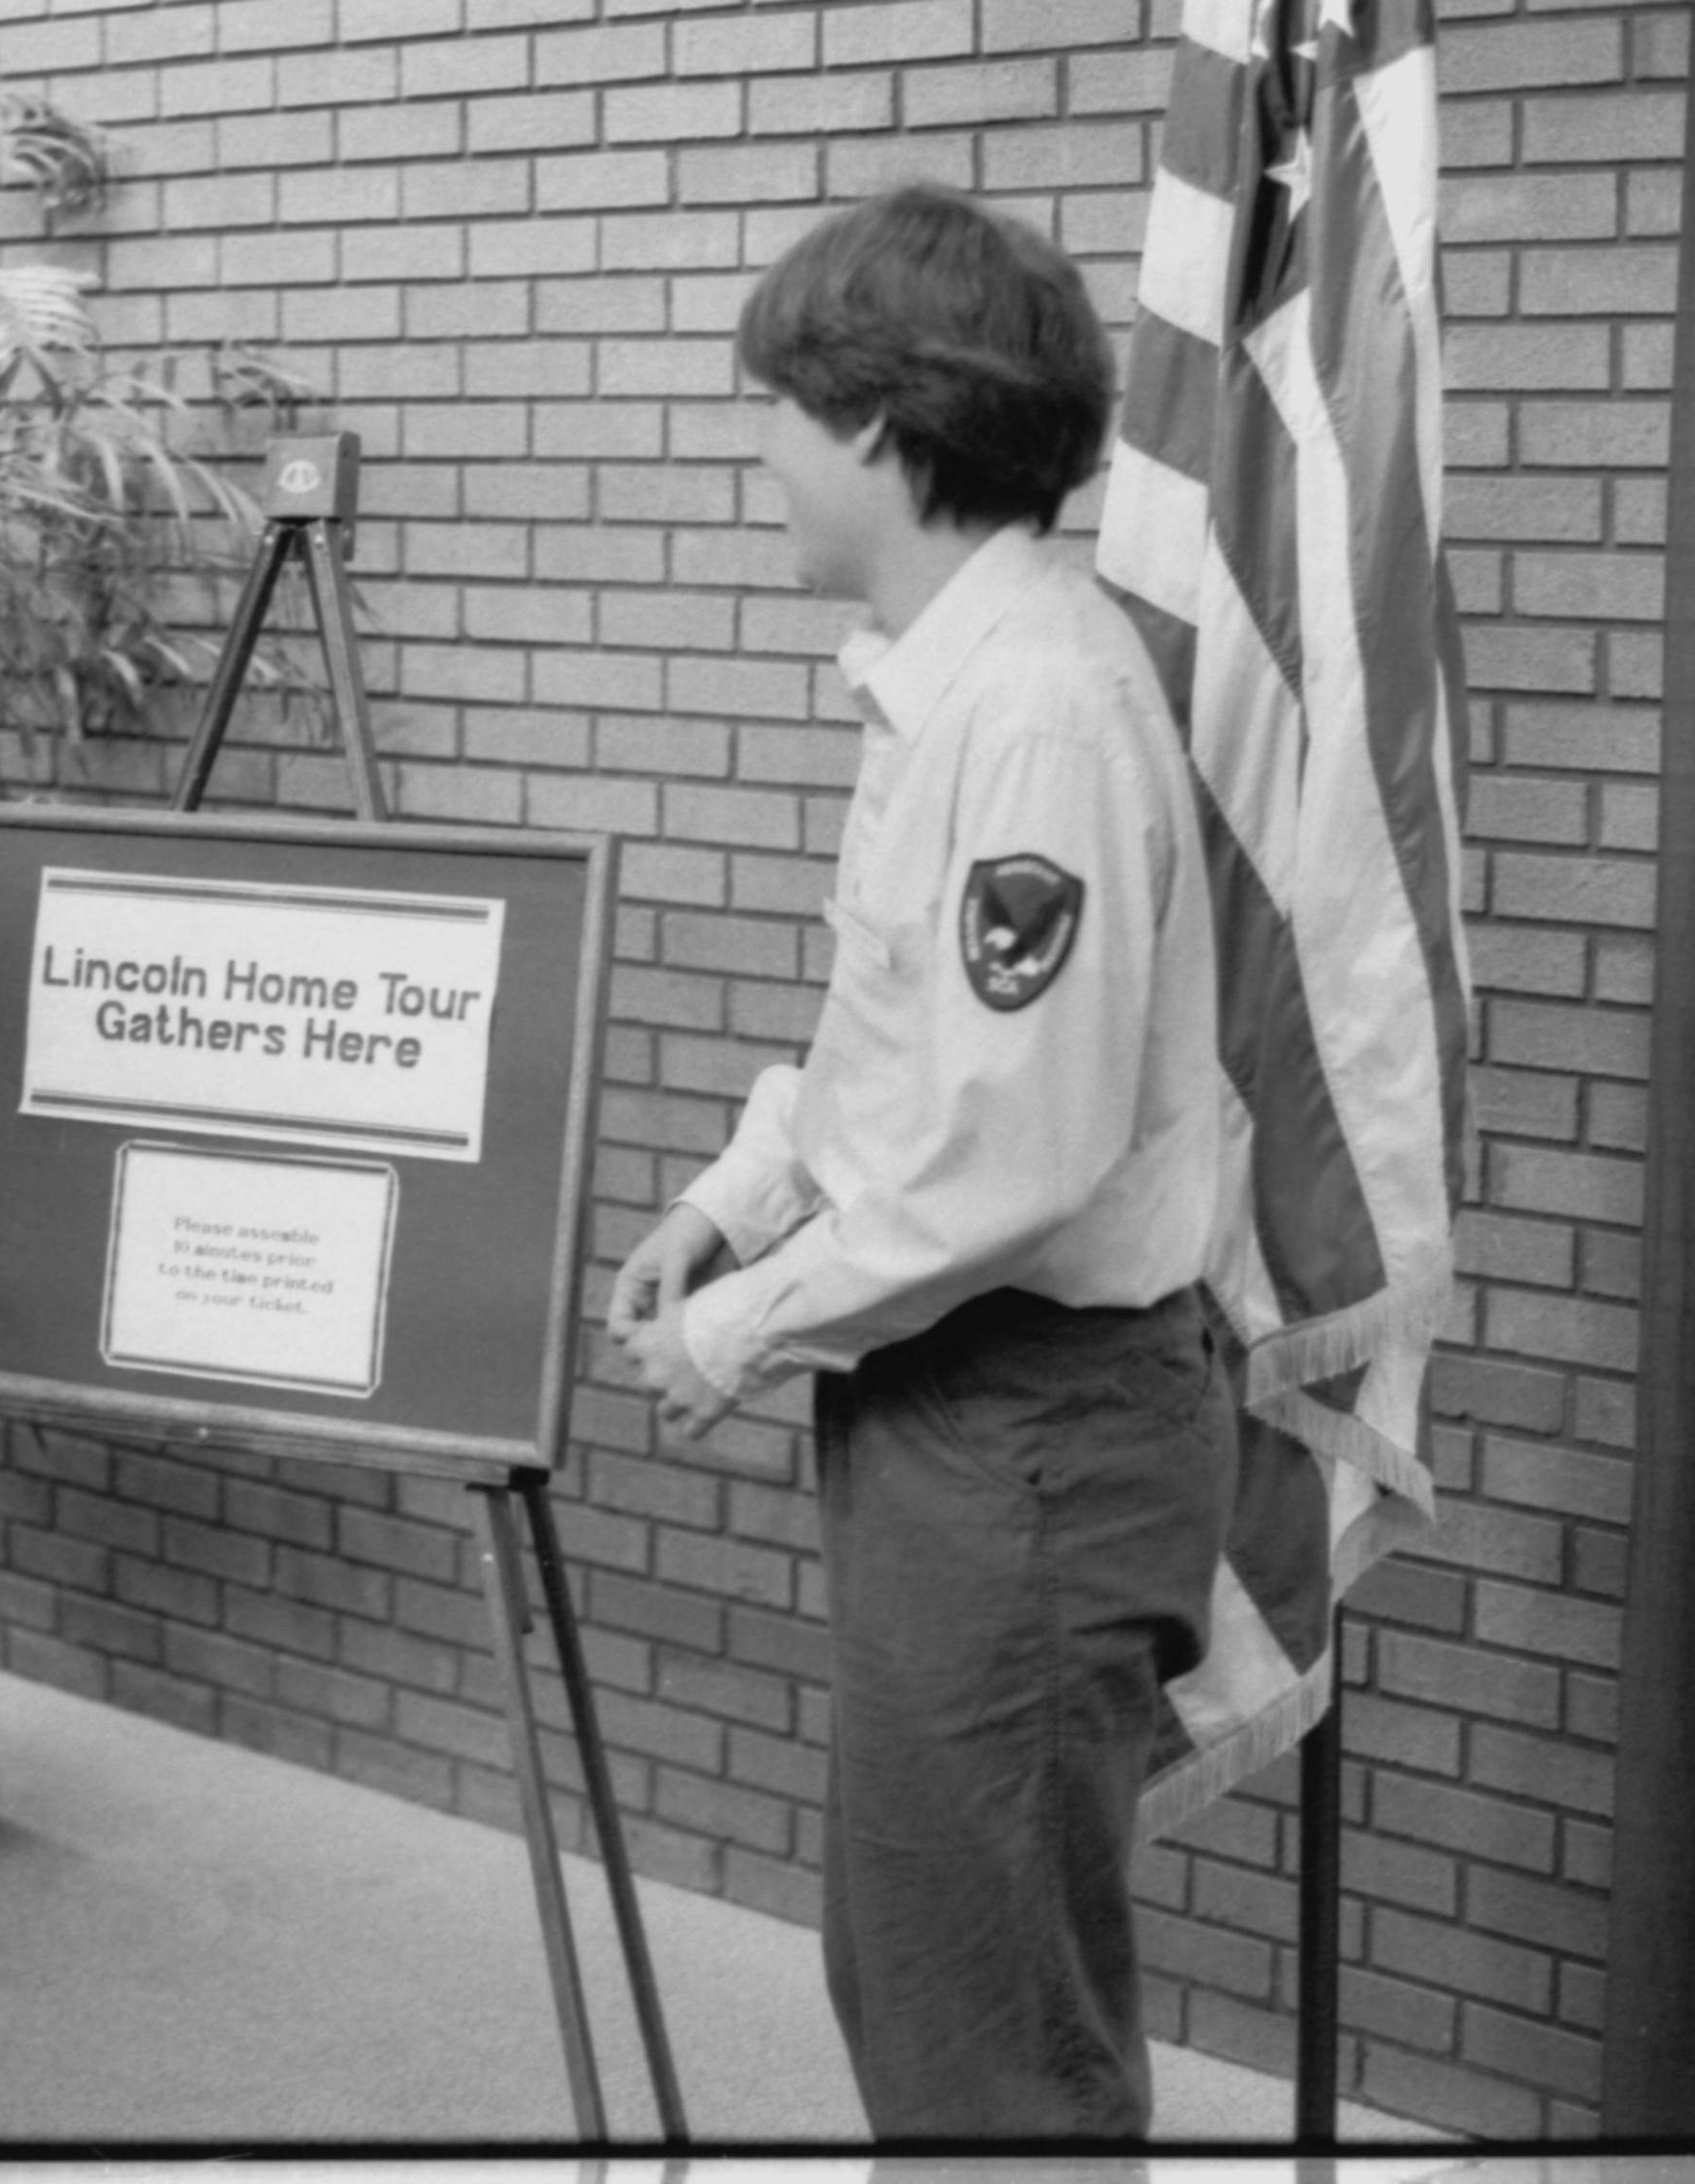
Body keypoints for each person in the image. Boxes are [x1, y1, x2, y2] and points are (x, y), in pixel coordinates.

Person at [607, 186, 1237, 2139]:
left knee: (988, 2037)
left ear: (879, 427)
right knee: (919, 1958)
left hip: (1027, 1426)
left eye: (774, 408)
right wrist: (732, 1199)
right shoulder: (947, 673)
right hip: (959, 1410)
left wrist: (737, 1333)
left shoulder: (1028, 704)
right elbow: (897, 1049)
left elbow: (1009, 1156)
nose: (756, 453)